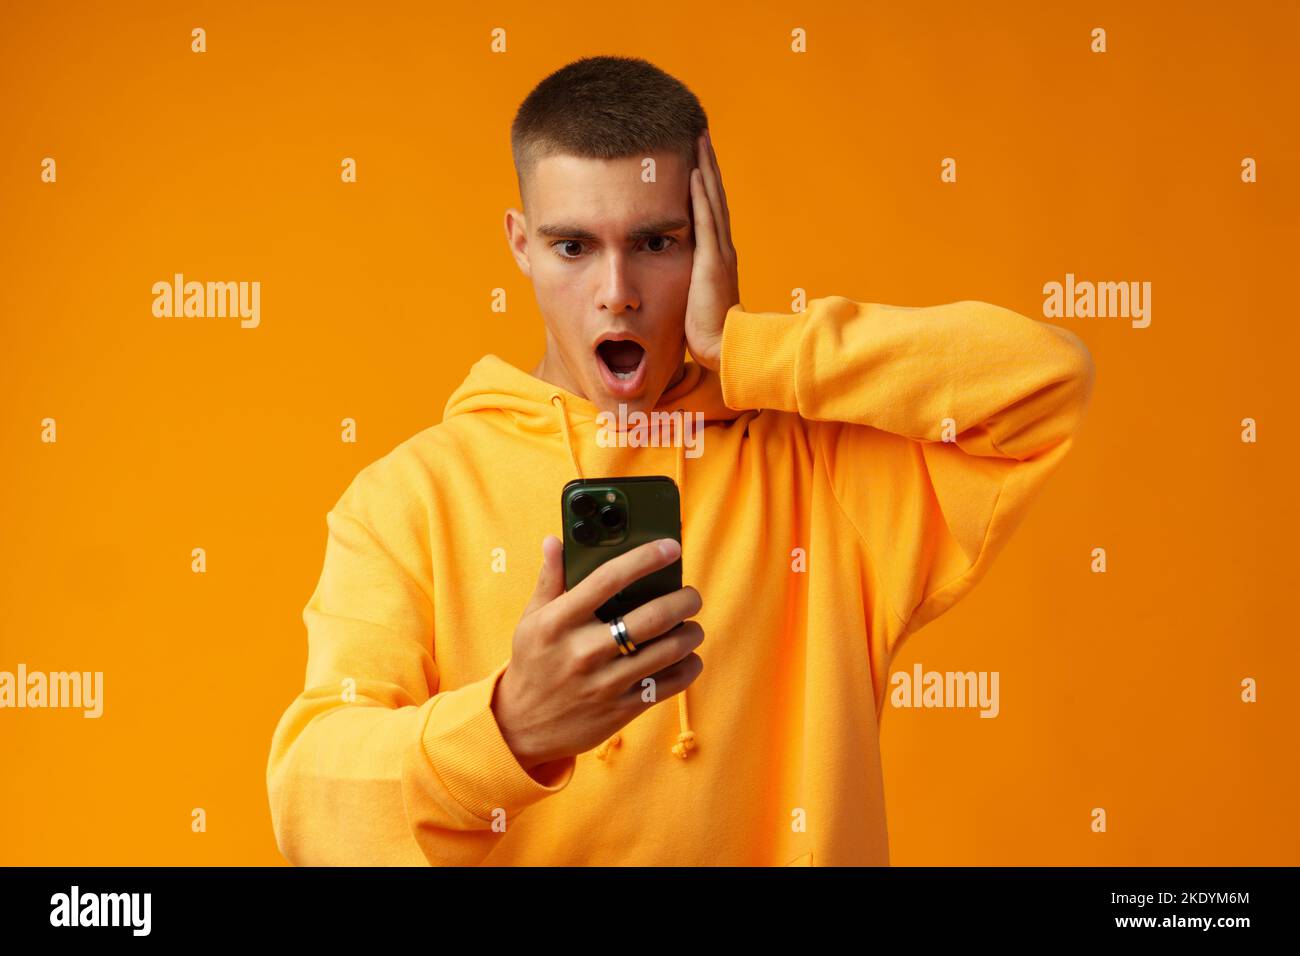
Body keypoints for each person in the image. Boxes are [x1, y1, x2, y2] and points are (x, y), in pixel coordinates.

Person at [266, 54, 1095, 866]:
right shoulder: (409, 499)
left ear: (709, 246)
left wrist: (748, 348)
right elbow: (312, 796)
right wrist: (509, 727)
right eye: (572, 247)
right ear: (519, 244)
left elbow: (1043, 380)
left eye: (657, 242)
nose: (617, 291)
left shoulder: (821, 470)